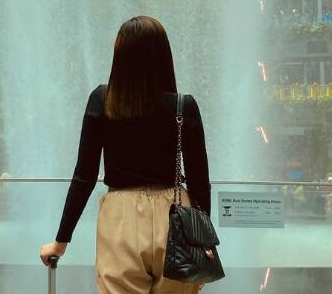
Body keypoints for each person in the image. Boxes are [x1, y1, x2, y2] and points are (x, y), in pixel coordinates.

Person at [39, 16, 211, 294]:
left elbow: (84, 177)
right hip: (176, 219)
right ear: (163, 54)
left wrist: (61, 241)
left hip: (120, 218)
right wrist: (202, 248)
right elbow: (200, 182)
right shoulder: (184, 106)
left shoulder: (103, 101)